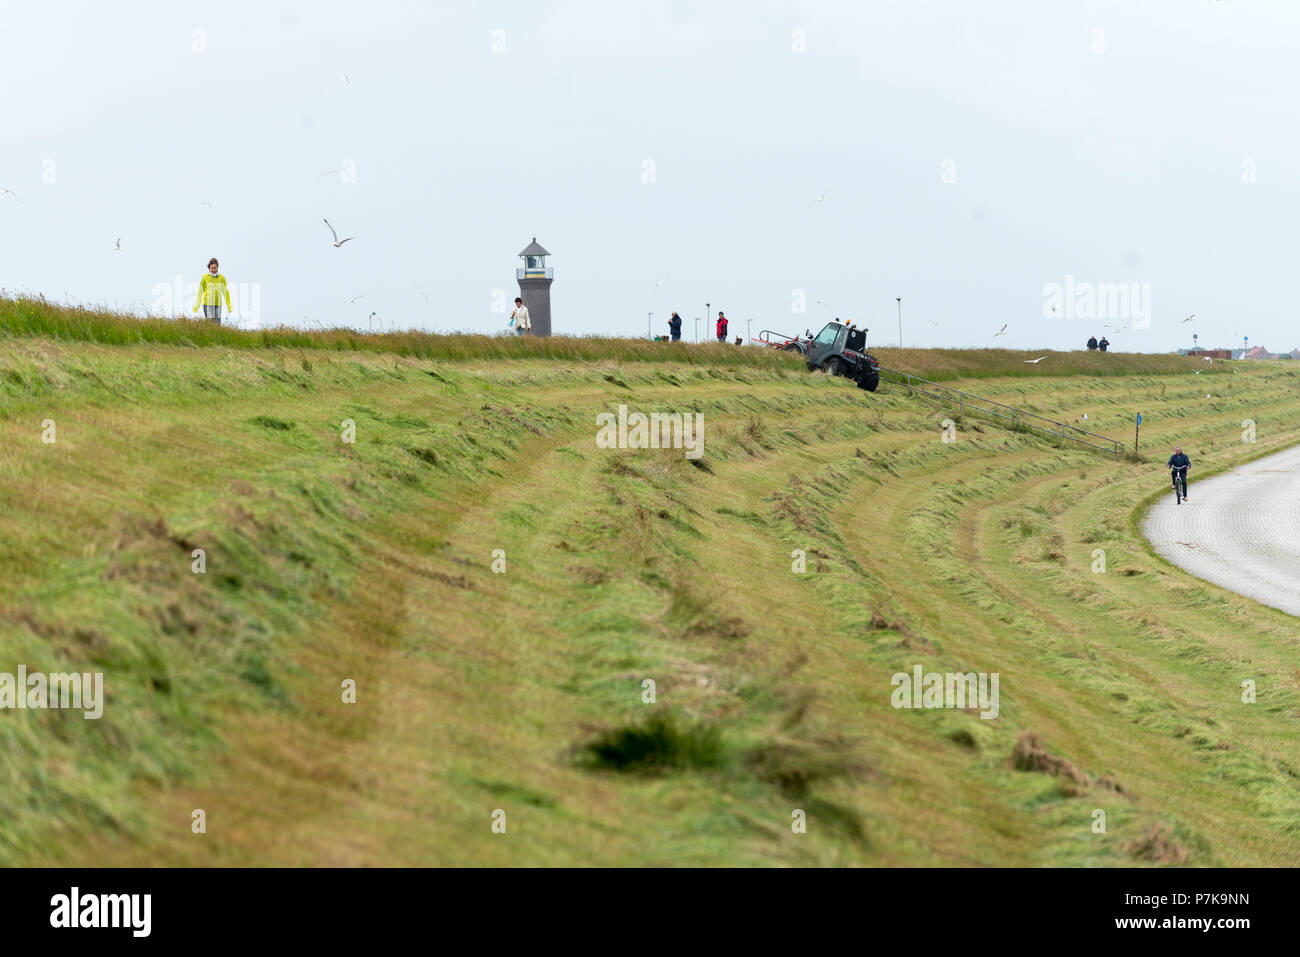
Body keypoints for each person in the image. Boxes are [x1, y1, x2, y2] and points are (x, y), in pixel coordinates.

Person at [192, 257, 232, 324]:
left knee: (217, 324)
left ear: (217, 268)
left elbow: (226, 292)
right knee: (210, 324)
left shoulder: (222, 278)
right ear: (209, 268)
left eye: (215, 268)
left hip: (218, 304)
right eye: (212, 268)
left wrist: (229, 305)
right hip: (208, 304)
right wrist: (197, 305)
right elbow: (200, 292)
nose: (213, 270)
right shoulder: (205, 277)